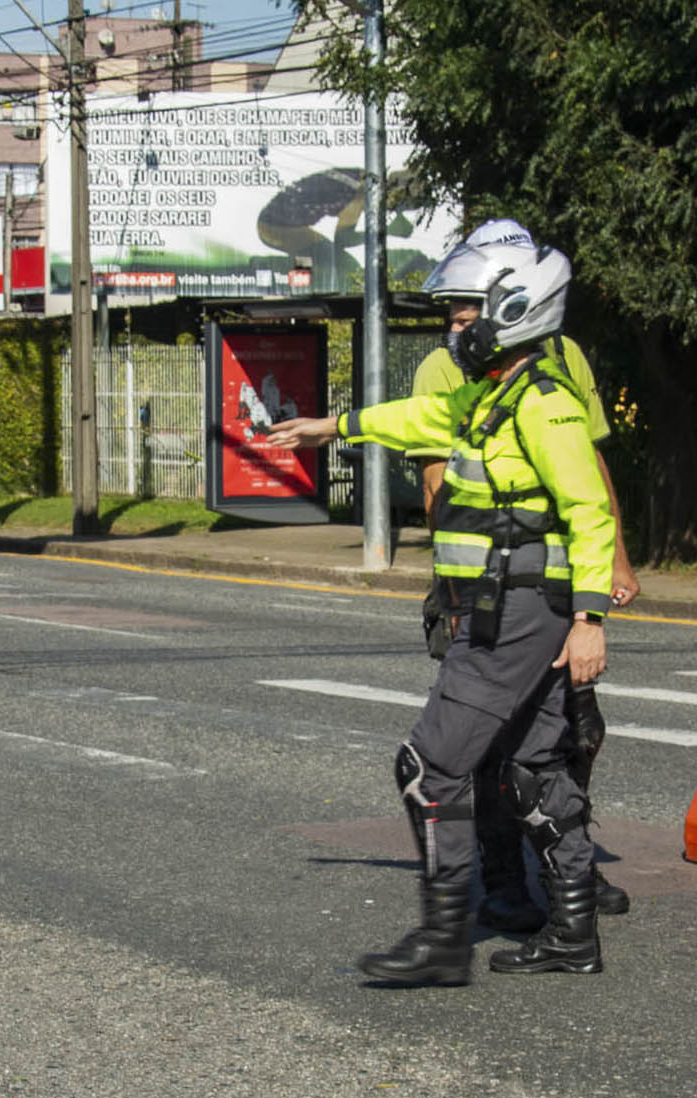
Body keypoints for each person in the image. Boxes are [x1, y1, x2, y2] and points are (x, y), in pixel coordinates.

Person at [267, 227, 618, 985]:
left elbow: (589, 509)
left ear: (513, 309)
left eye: (464, 318)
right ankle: (573, 932)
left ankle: (444, 938)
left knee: (429, 767)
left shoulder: (544, 404)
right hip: (506, 606)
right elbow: (414, 418)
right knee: (529, 769)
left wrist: (590, 618)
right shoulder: (488, 398)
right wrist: (332, 426)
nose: (453, 331)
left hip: (517, 611)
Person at [406, 220, 639, 936]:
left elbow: (588, 463)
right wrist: (463, 577)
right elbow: (437, 477)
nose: (460, 318)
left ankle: (566, 867)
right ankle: (502, 879)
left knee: (571, 731)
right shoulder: (446, 363)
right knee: (483, 737)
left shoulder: (562, 352)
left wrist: (617, 558)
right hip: (484, 579)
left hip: (558, 582)